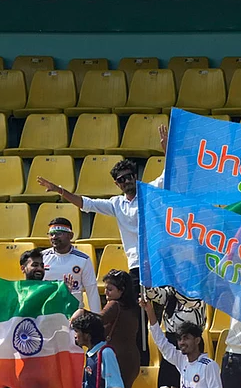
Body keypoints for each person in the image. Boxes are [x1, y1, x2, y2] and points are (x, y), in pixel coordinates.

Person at [38, 151, 165, 366]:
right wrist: (60, 191)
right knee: (134, 314)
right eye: (120, 180)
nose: (125, 182)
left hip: (157, 262)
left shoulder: (149, 192)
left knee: (162, 310)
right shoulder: (117, 204)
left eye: (128, 176)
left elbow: (166, 174)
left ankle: (164, 359)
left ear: (135, 176)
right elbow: (85, 203)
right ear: (117, 184)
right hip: (136, 265)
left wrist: (166, 148)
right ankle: (141, 361)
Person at [0, 248, 48, 388]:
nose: (39, 269)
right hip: (12, 357)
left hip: (38, 359)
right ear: (23, 268)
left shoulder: (50, 292)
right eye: (35, 265)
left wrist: (71, 293)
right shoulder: (12, 293)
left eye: (42, 265)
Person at [144, 286, 207, 388]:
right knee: (167, 385)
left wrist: (175, 288)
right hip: (172, 339)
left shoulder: (198, 288)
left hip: (192, 341)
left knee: (191, 384)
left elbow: (194, 302)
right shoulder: (170, 291)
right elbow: (156, 294)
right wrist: (147, 288)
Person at [91, 269, 141, 388]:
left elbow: (97, 320)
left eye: (110, 289)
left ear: (122, 290)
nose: (106, 292)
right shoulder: (132, 308)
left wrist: (81, 312)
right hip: (130, 360)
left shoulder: (114, 305)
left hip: (117, 360)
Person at [42, 217, 102, 313]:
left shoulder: (83, 259)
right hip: (46, 312)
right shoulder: (42, 257)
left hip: (73, 313)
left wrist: (98, 318)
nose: (54, 237)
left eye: (59, 233)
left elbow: (92, 291)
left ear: (70, 235)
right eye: (51, 234)